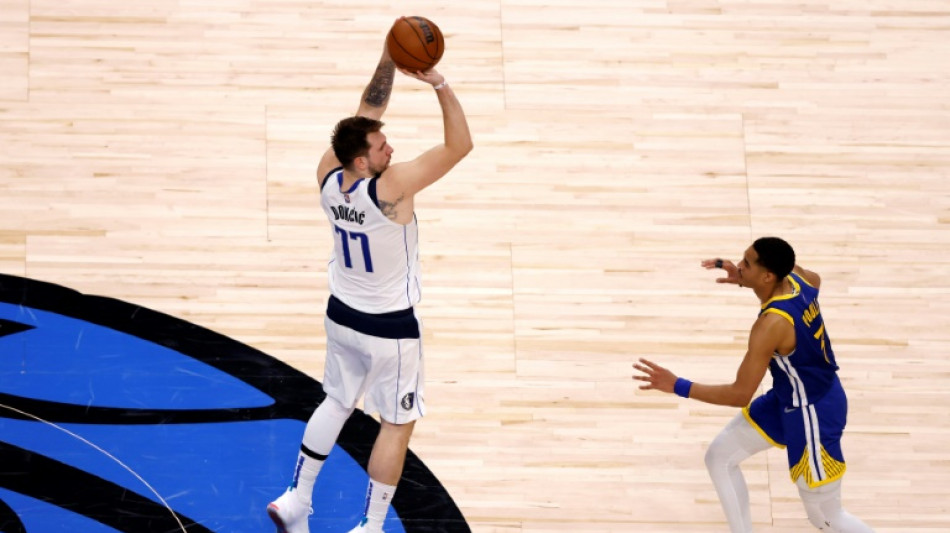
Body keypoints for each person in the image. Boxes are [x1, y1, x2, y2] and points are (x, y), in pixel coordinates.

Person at [266, 34, 473, 533]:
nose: (390, 147)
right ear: (363, 161)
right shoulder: (391, 188)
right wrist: (439, 83)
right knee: (396, 425)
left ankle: (296, 498)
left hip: (341, 315)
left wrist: (388, 57)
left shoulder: (328, 173)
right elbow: (459, 146)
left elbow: (367, 113)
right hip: (389, 329)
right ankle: (371, 526)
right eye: (382, 147)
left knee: (337, 402)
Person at [632, 237, 874, 533]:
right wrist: (746, 278)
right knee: (719, 457)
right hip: (789, 396)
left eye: (746, 263)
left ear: (768, 276)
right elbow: (814, 279)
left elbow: (740, 394)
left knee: (826, 517)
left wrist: (677, 385)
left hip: (813, 413)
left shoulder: (771, 325)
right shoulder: (798, 278)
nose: (738, 265)